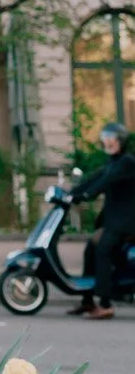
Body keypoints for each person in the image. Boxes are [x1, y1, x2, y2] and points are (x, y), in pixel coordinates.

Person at [72, 121, 135, 320]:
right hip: (114, 222)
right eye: (105, 138)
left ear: (121, 141)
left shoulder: (126, 162)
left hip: (126, 222)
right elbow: (93, 179)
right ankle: (87, 302)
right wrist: (69, 194)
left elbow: (105, 182)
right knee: (90, 249)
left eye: (112, 138)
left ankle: (106, 305)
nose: (107, 142)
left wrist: (88, 195)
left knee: (103, 251)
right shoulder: (112, 163)